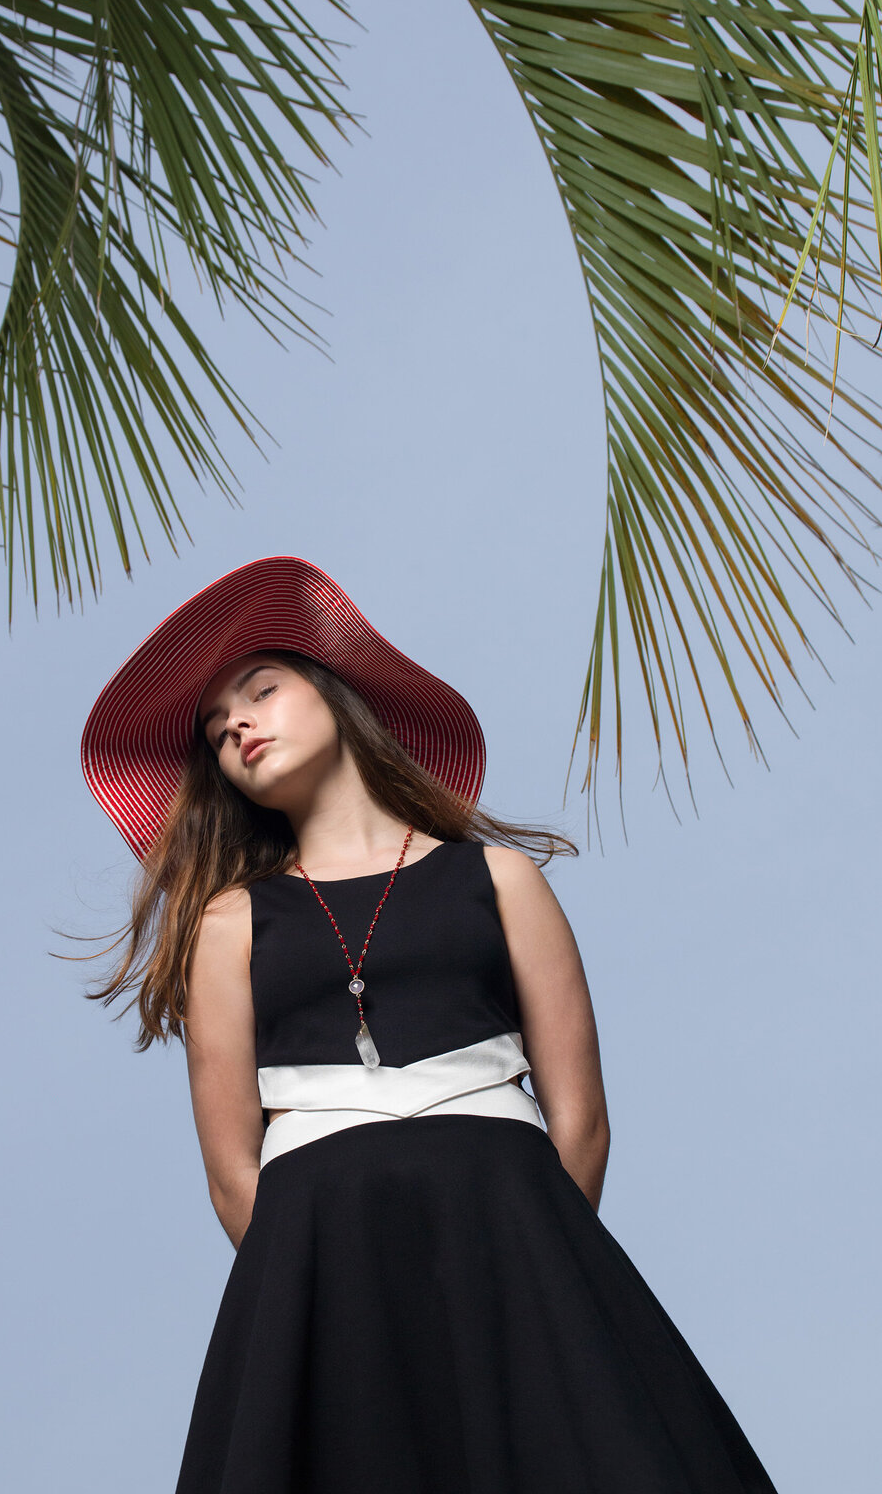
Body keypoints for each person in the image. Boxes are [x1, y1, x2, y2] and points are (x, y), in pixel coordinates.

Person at [78, 554, 781, 1494]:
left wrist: (533, 1272)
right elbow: (231, 1175)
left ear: (336, 695)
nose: (237, 724)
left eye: (261, 690)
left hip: (521, 1249)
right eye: (214, 728)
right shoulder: (228, 925)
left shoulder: (499, 880)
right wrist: (319, 1294)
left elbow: (580, 1120)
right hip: (322, 1281)